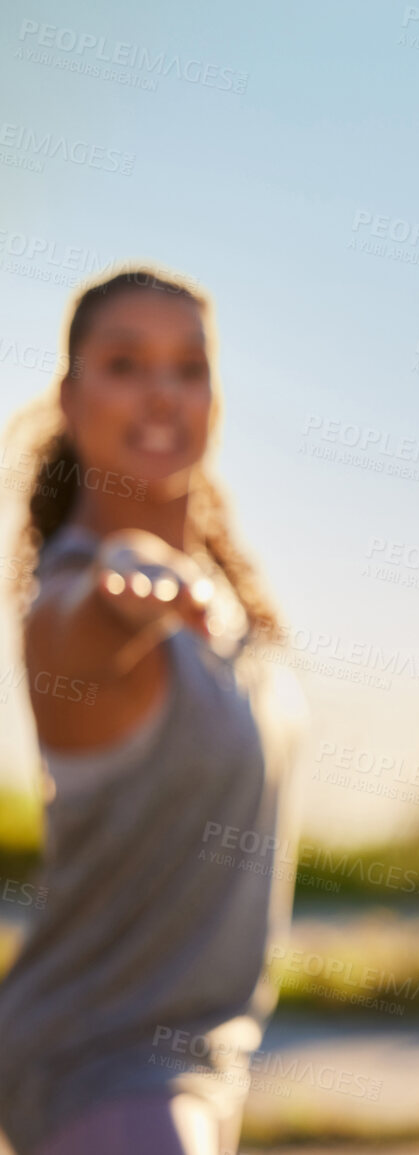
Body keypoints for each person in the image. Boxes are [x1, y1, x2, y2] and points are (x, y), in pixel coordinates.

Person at [0, 269, 305, 1155]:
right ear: (69, 394)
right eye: (124, 364)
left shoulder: (227, 600)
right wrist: (128, 579)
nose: (161, 392)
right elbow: (89, 613)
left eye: (188, 367)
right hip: (102, 1061)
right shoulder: (72, 601)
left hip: (198, 1060)